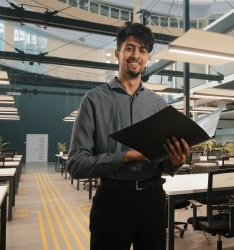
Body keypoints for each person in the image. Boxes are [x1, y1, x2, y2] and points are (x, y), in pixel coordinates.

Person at [67, 22, 190, 250]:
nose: (136, 55)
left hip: (152, 200)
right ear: (118, 53)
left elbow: (164, 164)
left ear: (147, 58)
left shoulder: (157, 104)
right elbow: (75, 164)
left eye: (142, 50)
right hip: (113, 201)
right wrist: (126, 157)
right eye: (130, 48)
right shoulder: (93, 100)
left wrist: (176, 161)